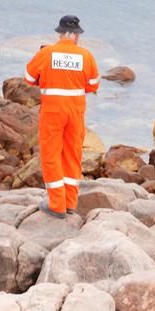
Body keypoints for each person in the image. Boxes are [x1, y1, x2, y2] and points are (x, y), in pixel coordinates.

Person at [24, 15, 100, 218]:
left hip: (53, 112)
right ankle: (70, 202)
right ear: (76, 36)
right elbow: (93, 85)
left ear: (59, 34)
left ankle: (57, 204)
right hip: (75, 112)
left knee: (51, 155)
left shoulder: (47, 52)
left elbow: (29, 78)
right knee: (72, 155)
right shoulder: (86, 55)